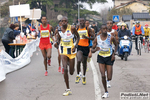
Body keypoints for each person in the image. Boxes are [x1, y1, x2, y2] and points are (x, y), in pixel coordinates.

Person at [54, 16, 80, 96]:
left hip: (71, 50)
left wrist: (76, 46)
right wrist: (57, 43)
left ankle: (71, 65)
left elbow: (78, 37)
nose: (64, 22)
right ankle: (68, 89)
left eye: (65, 21)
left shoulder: (72, 28)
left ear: (67, 22)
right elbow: (58, 38)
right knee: (65, 69)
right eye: (62, 21)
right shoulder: (58, 29)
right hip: (63, 50)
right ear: (61, 22)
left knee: (71, 72)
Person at [91, 24, 117, 98]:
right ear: (101, 30)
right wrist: (95, 49)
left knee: (109, 77)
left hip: (109, 57)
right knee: (102, 75)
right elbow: (92, 49)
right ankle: (106, 91)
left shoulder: (111, 37)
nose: (105, 30)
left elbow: (116, 45)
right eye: (103, 29)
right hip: (101, 57)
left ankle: (108, 78)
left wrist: (113, 54)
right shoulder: (97, 38)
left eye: (106, 29)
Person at [97, 20, 118, 88]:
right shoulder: (102, 31)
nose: (109, 25)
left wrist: (113, 38)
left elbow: (117, 42)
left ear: (112, 25)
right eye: (108, 23)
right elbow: (97, 38)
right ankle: (107, 81)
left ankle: (108, 79)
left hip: (111, 52)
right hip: (103, 52)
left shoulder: (114, 32)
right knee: (104, 68)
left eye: (110, 24)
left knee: (109, 67)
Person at [75, 18, 94, 85]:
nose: (82, 22)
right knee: (78, 60)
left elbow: (93, 37)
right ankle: (78, 74)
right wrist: (75, 45)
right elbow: (75, 37)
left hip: (86, 47)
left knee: (84, 63)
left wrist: (87, 37)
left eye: (83, 21)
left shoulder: (88, 29)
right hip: (79, 46)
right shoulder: (77, 28)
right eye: (81, 21)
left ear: (85, 22)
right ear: (79, 22)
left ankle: (84, 76)